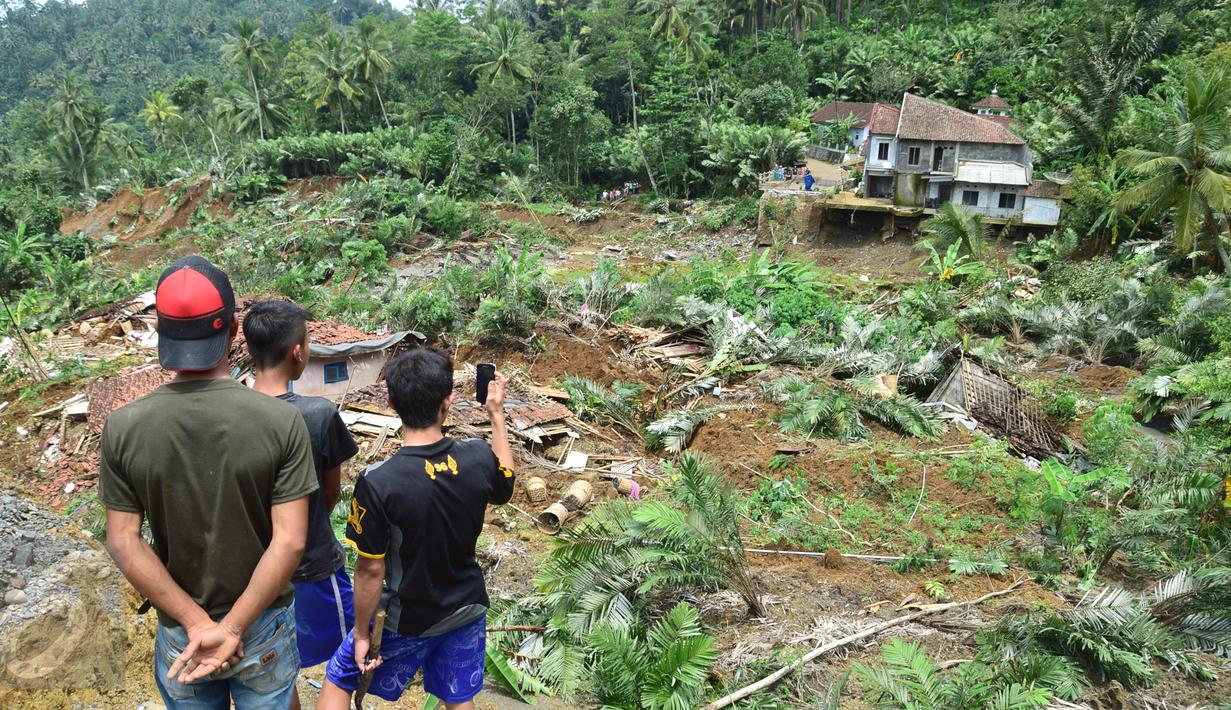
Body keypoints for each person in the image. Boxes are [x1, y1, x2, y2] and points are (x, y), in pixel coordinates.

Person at [99, 256, 317, 709]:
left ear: (162, 334)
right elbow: (290, 541)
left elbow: (123, 541)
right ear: (233, 330)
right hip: (262, 625)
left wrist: (198, 624)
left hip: (184, 635)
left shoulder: (123, 427)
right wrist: (232, 628)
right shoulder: (281, 422)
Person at [318, 348, 516, 710]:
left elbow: (370, 569)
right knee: (458, 696)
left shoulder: (379, 482)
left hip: (405, 617)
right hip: (466, 607)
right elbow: (506, 483)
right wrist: (496, 414)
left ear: (392, 402)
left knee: (339, 677)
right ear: (448, 402)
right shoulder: (477, 456)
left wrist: (362, 634)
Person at [242, 300, 361, 710]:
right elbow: (329, 494)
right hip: (311, 564)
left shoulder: (231, 414)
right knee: (349, 654)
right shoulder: (317, 415)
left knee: (277, 665)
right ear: (298, 351)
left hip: (253, 572)